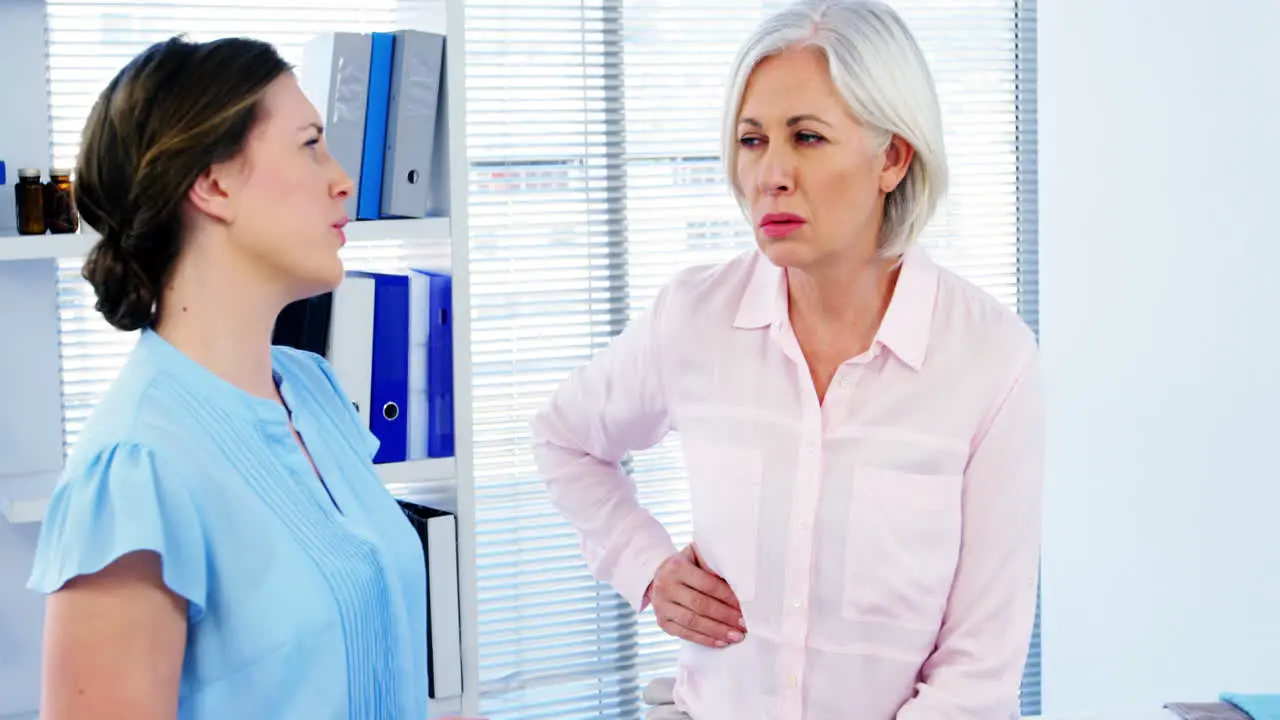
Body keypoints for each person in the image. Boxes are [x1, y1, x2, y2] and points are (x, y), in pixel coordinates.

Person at [530, 1, 1044, 719]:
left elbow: (979, 672)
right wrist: (646, 568)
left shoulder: (992, 360)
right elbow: (564, 439)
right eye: (751, 140)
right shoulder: (693, 319)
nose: (769, 174)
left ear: (892, 157)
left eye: (806, 137)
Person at [27, 36, 431, 719]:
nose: (343, 180)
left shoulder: (314, 392)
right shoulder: (136, 471)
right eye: (310, 144)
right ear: (212, 184)